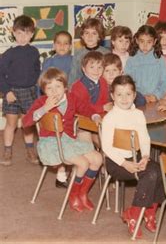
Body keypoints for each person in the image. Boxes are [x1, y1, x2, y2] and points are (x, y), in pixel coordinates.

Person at [22, 68, 102, 212]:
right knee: (83, 163)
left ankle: (82, 193)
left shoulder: (71, 98)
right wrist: (44, 109)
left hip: (69, 141)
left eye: (58, 86)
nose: (54, 91)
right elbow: (26, 122)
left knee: (97, 159)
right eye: (49, 88)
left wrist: (95, 115)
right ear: (44, 91)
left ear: (65, 87)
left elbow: (86, 108)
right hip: (51, 144)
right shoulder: (41, 102)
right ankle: (73, 195)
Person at [101, 75, 165, 238]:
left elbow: (144, 138)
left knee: (159, 171)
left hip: (135, 158)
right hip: (117, 163)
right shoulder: (109, 118)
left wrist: (145, 156)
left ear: (135, 95)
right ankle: (134, 215)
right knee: (150, 174)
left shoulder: (138, 114)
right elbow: (106, 147)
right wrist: (125, 164)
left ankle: (148, 212)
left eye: (128, 94)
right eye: (119, 94)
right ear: (112, 96)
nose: (124, 98)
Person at [0, 15, 41, 166]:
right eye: (19, 33)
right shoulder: (9, 54)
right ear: (13, 32)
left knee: (27, 123)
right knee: (11, 124)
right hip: (11, 92)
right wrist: (7, 91)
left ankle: (30, 150)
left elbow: (37, 71)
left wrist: (37, 86)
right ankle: (7, 150)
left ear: (32, 34)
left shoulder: (34, 52)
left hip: (28, 92)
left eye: (27, 33)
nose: (23, 37)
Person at [40, 30, 73, 187]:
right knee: (57, 136)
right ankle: (61, 174)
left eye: (66, 43)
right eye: (58, 43)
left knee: (70, 135)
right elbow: (41, 83)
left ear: (70, 46)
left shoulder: (74, 61)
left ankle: (69, 170)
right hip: (53, 103)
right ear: (54, 45)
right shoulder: (48, 62)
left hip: (69, 102)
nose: (62, 46)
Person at [124, 25, 166, 103]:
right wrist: (136, 95)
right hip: (136, 98)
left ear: (154, 42)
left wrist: (156, 95)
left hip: (155, 99)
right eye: (142, 41)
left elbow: (165, 82)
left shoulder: (160, 60)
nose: (145, 45)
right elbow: (128, 82)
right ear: (137, 40)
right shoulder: (131, 59)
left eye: (149, 42)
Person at [69, 18, 109, 85]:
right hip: (83, 89)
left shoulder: (106, 53)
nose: (90, 36)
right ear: (82, 36)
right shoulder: (78, 54)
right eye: (87, 33)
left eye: (94, 33)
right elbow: (73, 77)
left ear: (99, 36)